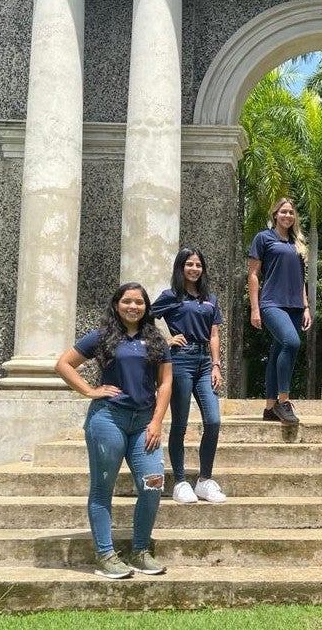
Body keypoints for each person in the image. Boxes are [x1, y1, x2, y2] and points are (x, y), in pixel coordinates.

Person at [55, 282, 172, 579]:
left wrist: (157, 421)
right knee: (102, 489)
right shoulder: (102, 337)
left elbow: (166, 383)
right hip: (109, 419)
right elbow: (64, 364)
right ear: (117, 304)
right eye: (127, 301)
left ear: (146, 307)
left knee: (153, 485)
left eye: (139, 302)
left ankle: (141, 551)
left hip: (144, 422)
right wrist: (90, 391)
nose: (133, 307)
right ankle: (105, 555)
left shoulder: (157, 340)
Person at [152, 248, 226, 505]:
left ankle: (205, 480)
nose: (194, 269)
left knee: (213, 421)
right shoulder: (171, 296)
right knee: (180, 423)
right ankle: (181, 481)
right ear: (180, 268)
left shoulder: (210, 299)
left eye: (198, 265)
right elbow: (145, 318)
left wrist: (216, 365)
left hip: (205, 360)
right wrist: (165, 340)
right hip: (180, 359)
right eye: (189, 264)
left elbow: (214, 333)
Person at [248, 198, 312, 424]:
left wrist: (306, 307)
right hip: (271, 303)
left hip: (295, 305)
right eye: (283, 212)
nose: (287, 216)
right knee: (291, 343)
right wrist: (255, 308)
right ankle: (283, 401)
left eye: (291, 213)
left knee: (278, 352)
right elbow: (254, 274)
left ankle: (269, 408)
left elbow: (300, 279)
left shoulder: (298, 243)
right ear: (275, 214)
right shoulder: (264, 238)